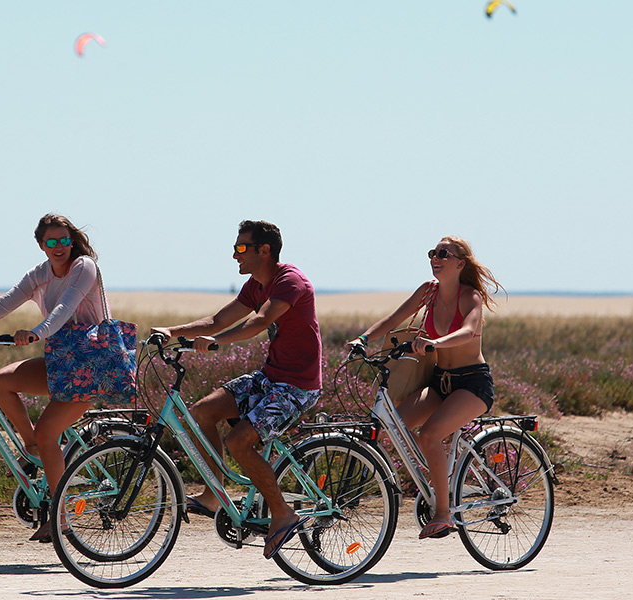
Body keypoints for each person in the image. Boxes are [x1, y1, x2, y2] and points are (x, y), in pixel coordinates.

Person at [152, 220, 322, 559]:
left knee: (239, 441)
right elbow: (217, 321)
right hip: (270, 377)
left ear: (265, 250)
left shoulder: (290, 281)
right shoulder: (255, 285)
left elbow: (259, 322)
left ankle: (283, 513)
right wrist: (171, 331)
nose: (234, 255)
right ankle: (214, 493)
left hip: (297, 387)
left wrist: (215, 342)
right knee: (202, 412)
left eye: (241, 248)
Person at [0, 213, 106, 542]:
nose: (58, 247)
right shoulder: (40, 275)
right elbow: (6, 302)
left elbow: (64, 308)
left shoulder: (84, 267)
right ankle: (31, 446)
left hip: (92, 362)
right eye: (51, 242)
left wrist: (35, 332)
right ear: (42, 245)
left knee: (49, 434)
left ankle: (61, 520)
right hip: (61, 359)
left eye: (63, 240)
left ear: (71, 241)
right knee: (0, 382)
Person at [351, 236, 504, 540]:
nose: (436, 258)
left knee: (430, 434)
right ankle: (435, 480)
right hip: (440, 381)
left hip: (472, 383)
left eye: (443, 254)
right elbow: (395, 318)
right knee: (394, 423)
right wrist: (364, 339)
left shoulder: (469, 296)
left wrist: (435, 342)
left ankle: (443, 514)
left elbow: (469, 330)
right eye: (433, 253)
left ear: (460, 263)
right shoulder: (428, 292)